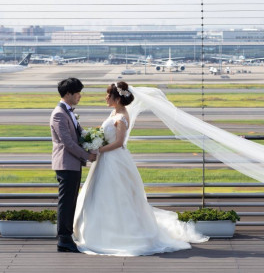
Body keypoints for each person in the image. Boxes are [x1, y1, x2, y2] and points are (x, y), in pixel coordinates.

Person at [73, 81, 208, 256]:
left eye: (108, 95)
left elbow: (119, 143)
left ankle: (118, 234)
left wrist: (98, 149)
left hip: (114, 160)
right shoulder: (114, 113)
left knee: (116, 195)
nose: (106, 97)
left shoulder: (121, 117)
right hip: (106, 160)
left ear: (117, 98)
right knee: (102, 194)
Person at [50, 77, 97, 253]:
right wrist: (87, 156)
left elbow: (77, 137)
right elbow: (68, 143)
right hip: (65, 164)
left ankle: (67, 237)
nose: (80, 96)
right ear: (68, 94)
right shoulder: (59, 114)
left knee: (70, 202)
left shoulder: (67, 111)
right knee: (66, 203)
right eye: (78, 93)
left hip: (72, 164)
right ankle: (63, 239)